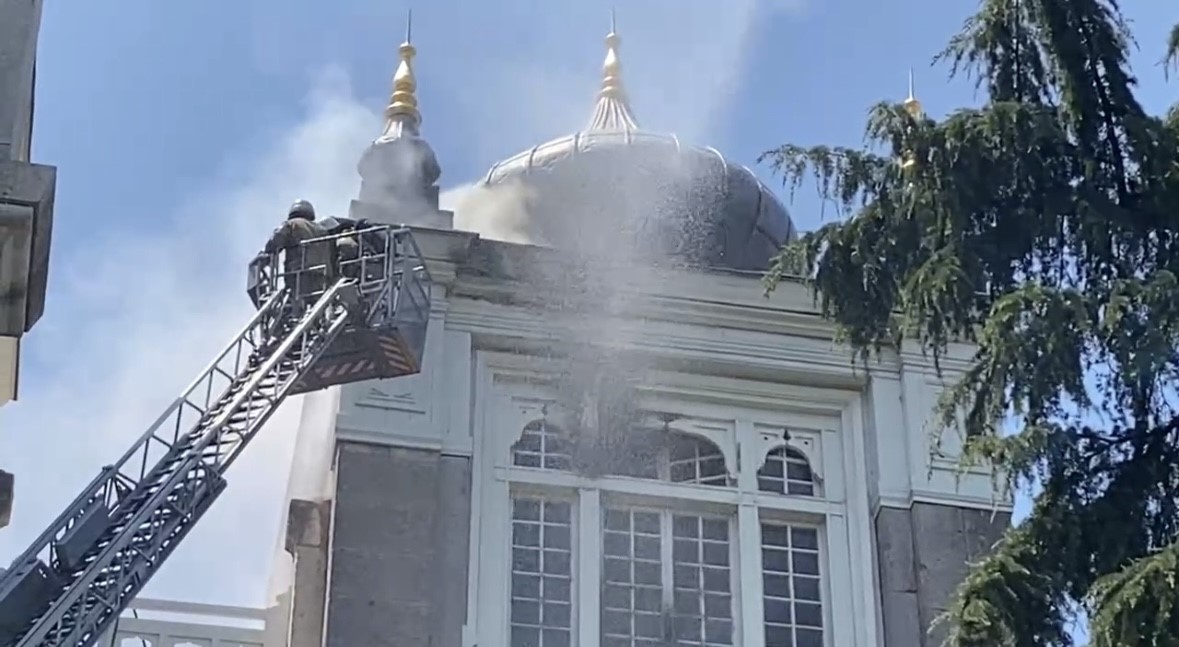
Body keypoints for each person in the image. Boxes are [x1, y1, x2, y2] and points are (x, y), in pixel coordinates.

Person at [264, 199, 333, 304]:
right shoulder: (323, 230)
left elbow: (277, 239)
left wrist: (267, 253)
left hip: (299, 275)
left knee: (297, 307)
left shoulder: (292, 224)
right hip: (322, 277)